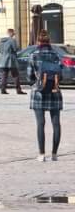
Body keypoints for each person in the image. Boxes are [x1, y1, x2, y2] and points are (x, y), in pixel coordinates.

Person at [28, 29, 63, 161]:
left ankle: (41, 154)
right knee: (56, 123)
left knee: (40, 123)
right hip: (54, 91)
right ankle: (54, 154)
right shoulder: (56, 55)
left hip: (39, 92)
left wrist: (36, 82)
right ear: (49, 41)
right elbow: (62, 75)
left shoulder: (34, 55)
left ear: (38, 41)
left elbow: (29, 75)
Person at [0, 28, 25, 95]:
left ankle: (2, 90)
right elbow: (16, 49)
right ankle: (18, 90)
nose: (14, 34)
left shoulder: (1, 41)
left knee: (4, 76)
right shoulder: (12, 40)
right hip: (11, 60)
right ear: (11, 33)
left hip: (2, 60)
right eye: (14, 33)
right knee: (15, 75)